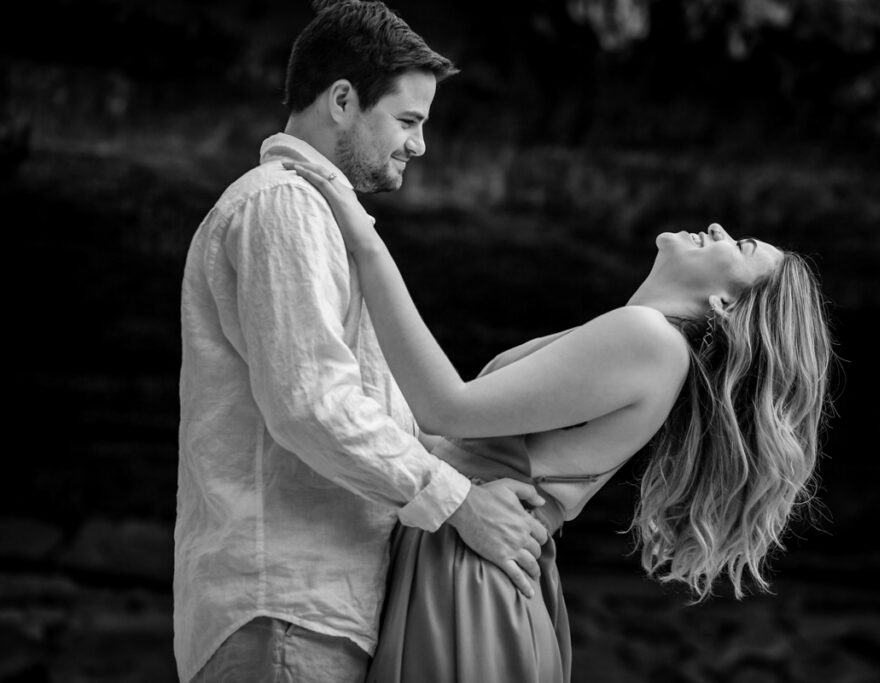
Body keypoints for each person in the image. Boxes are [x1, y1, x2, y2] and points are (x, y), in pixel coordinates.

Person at [282, 160, 835, 683]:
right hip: (474, 559)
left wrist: (365, 243)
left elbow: (445, 410)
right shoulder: (646, 340)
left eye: (738, 246)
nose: (716, 227)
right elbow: (439, 433)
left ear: (725, 304)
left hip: (470, 573)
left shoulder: (648, 339)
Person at [173, 3, 549, 682]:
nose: (420, 145)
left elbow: (352, 407)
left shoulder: (312, 216)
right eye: (408, 121)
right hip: (287, 617)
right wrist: (461, 503)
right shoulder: (281, 205)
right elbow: (312, 402)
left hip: (307, 615)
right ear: (342, 100)